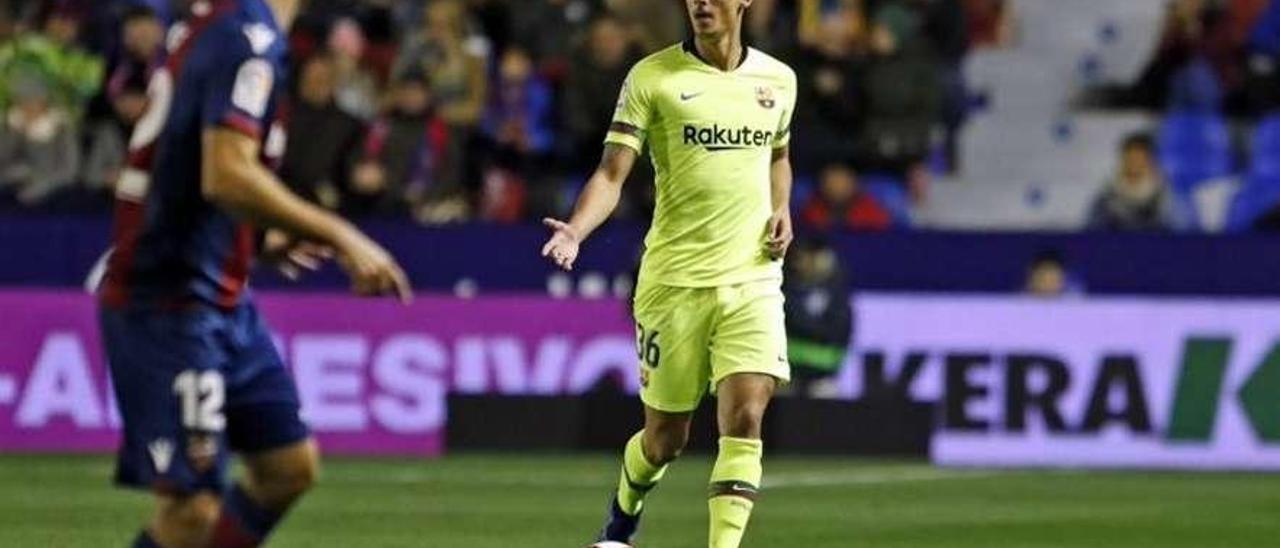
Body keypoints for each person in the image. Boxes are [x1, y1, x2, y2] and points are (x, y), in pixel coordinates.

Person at [96, 1, 411, 547]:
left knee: (288, 467)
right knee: (190, 510)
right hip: (170, 297)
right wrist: (341, 233)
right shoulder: (246, 34)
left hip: (220, 292)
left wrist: (255, 238)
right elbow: (226, 173)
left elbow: (186, 167)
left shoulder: (224, 26)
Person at [540, 1, 798, 546]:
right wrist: (575, 232)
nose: (701, 3)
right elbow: (612, 174)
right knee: (664, 440)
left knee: (746, 415)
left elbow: (778, 153)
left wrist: (782, 208)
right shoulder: (653, 78)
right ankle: (620, 522)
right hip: (674, 281)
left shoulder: (778, 79)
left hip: (752, 276)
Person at [1086, 133, 1183, 231]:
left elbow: (1179, 236)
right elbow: (1091, 234)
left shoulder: (1168, 198)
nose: (1134, 166)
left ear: (1151, 162)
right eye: (1129, 159)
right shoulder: (1106, 197)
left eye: (1139, 159)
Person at [799, 163, 893, 231]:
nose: (836, 188)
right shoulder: (810, 212)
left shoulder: (871, 213)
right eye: (831, 182)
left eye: (842, 182)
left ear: (854, 183)